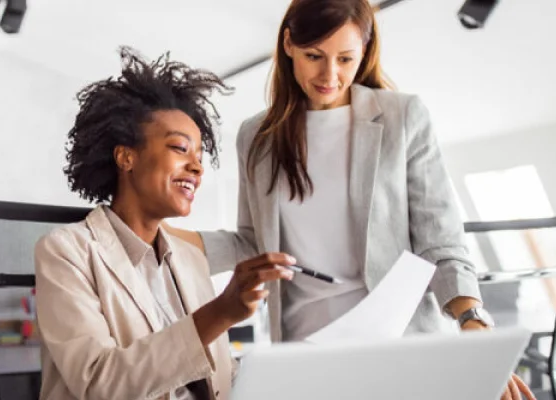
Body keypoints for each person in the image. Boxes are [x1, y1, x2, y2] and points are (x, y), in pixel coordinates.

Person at [164, 1, 534, 399]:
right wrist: (159, 234)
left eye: (345, 58)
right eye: (314, 56)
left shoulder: (402, 117)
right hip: (306, 357)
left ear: (365, 50)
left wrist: (473, 322)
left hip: (399, 350)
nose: (330, 75)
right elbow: (252, 244)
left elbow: (440, 242)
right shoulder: (257, 136)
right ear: (288, 44)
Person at [34, 48, 295, 400]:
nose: (197, 167)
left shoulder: (190, 260)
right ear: (126, 156)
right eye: (179, 149)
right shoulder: (66, 252)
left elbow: (220, 378)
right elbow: (99, 383)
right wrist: (220, 312)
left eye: (200, 157)